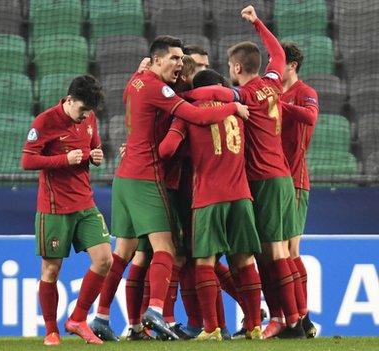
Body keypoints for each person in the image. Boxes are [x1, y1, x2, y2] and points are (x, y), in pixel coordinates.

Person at [106, 35, 249, 340]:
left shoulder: (157, 85)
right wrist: (233, 103)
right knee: (170, 255)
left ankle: (191, 322)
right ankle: (162, 320)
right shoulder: (176, 93)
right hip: (167, 182)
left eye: (199, 64)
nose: (191, 67)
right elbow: (174, 137)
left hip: (171, 181)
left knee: (188, 256)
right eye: (188, 62)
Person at [184, 5, 305, 339]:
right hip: (282, 175)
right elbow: (278, 53)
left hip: (263, 179)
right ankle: (295, 319)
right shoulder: (272, 83)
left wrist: (180, 95)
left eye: (230, 68)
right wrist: (257, 23)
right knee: (280, 251)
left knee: (270, 255)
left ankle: (284, 319)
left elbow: (213, 93)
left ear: (236, 68)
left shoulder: (246, 95)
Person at [160, 69, 264, 340]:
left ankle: (211, 328)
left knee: (204, 261)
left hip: (208, 197)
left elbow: (168, 149)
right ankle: (254, 325)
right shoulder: (237, 110)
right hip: (241, 195)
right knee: (244, 260)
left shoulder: (188, 112)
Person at [21, 75, 112, 346]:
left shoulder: (89, 118)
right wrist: (64, 159)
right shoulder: (45, 121)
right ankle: (51, 331)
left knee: (105, 259)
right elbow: (27, 160)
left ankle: (78, 319)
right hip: (54, 207)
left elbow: (94, 148)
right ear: (69, 100)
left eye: (89, 111)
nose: (85, 116)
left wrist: (97, 156)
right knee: (51, 270)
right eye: (82, 109)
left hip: (85, 202)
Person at [279, 41, 319, 338]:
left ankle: (302, 319)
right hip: (274, 181)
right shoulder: (274, 93)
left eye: (277, 60)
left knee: (291, 250)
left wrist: (281, 106)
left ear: (291, 65)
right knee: (279, 252)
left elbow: (310, 117)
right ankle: (296, 318)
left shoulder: (305, 93)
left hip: (295, 181)